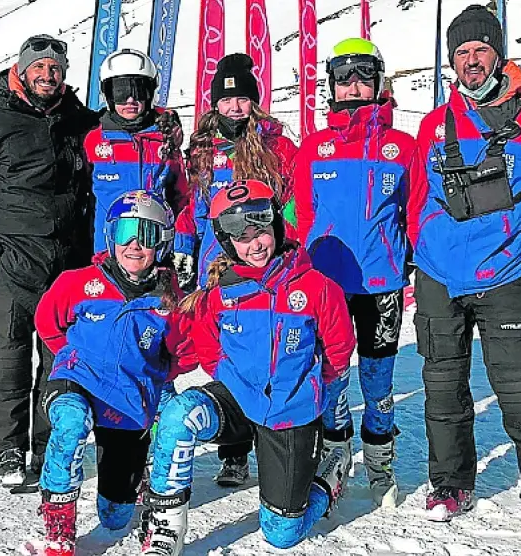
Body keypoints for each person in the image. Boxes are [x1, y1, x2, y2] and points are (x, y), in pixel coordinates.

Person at [408, 4, 521, 546]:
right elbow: (416, 197)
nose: (471, 61)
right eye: (461, 53)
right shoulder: (434, 125)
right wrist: (421, 250)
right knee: (442, 387)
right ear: (452, 62)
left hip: (504, 276)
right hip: (438, 278)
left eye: (480, 50)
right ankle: (451, 484)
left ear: (498, 55)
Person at [138, 180, 356, 556]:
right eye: (242, 238)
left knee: (282, 534)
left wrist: (311, 391)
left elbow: (339, 347)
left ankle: (330, 477)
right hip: (239, 399)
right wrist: (231, 379)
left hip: (290, 411)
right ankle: (165, 530)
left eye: (261, 233)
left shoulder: (317, 287)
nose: (255, 245)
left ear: (276, 227)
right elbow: (208, 347)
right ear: (227, 243)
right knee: (179, 415)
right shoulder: (220, 294)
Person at [0, 34, 99, 488]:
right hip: (11, 264)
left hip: (67, 265)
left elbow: (121, 137)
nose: (48, 76)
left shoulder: (79, 121)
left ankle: (51, 448)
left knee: (59, 362)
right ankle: (9, 450)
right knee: (11, 360)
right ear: (22, 70)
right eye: (40, 68)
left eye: (56, 69)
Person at [291, 37, 424, 508]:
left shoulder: (402, 147)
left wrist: (414, 263)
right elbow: (300, 216)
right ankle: (335, 449)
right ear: (331, 85)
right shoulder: (314, 148)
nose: (352, 86)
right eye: (343, 78)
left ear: (378, 82)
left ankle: (381, 459)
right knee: (331, 374)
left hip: (381, 285)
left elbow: (417, 214)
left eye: (362, 76)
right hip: (324, 287)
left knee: (378, 381)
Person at [33, 191, 194, 556]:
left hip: (128, 400)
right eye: (125, 233)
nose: (134, 244)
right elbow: (47, 320)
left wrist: (153, 375)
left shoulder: (170, 300)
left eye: (147, 235)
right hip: (78, 382)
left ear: (163, 242)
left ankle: (125, 493)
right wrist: (73, 358)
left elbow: (185, 351)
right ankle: (59, 522)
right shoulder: (79, 282)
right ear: (111, 236)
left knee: (115, 517)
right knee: (71, 422)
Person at [172, 52, 297, 486]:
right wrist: (184, 250)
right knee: (225, 356)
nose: (233, 108)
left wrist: (291, 241)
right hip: (215, 266)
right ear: (213, 104)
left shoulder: (276, 145)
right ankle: (234, 451)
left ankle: (277, 442)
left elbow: (296, 198)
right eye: (225, 101)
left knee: (267, 352)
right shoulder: (203, 150)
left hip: (265, 261)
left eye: (242, 99)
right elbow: (192, 208)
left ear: (254, 102)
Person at [84, 48, 188, 253]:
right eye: (121, 93)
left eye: (139, 91)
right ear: (109, 95)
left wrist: (182, 246)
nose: (130, 100)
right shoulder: (93, 140)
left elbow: (181, 195)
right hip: (110, 246)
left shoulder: (165, 137)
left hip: (155, 244)